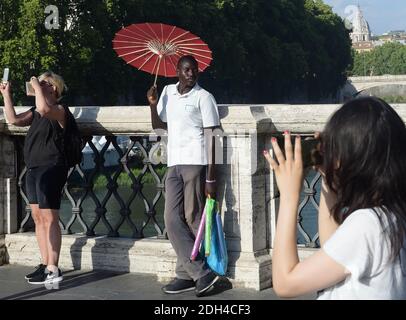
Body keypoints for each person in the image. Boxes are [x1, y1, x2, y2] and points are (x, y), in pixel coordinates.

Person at [263, 96, 406, 299]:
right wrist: (327, 178)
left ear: (355, 158)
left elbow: (286, 284)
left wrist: (288, 196)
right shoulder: (389, 215)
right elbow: (333, 246)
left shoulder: (367, 225)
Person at [147, 55, 221, 297]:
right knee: (171, 219)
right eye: (187, 70)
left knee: (192, 217)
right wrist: (152, 104)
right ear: (176, 71)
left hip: (195, 162)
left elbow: (213, 138)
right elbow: (159, 128)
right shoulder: (167, 91)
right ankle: (198, 273)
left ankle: (187, 273)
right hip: (173, 163)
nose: (191, 74)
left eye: (195, 70)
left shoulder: (204, 97)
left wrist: (211, 176)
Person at [0, 71, 69, 285]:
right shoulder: (35, 112)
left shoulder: (59, 110)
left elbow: (45, 108)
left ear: (54, 88)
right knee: (38, 219)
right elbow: (12, 120)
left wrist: (36, 87)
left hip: (52, 168)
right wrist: (6, 95)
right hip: (33, 169)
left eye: (44, 82)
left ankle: (53, 267)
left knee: (50, 219)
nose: (38, 84)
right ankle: (44, 262)